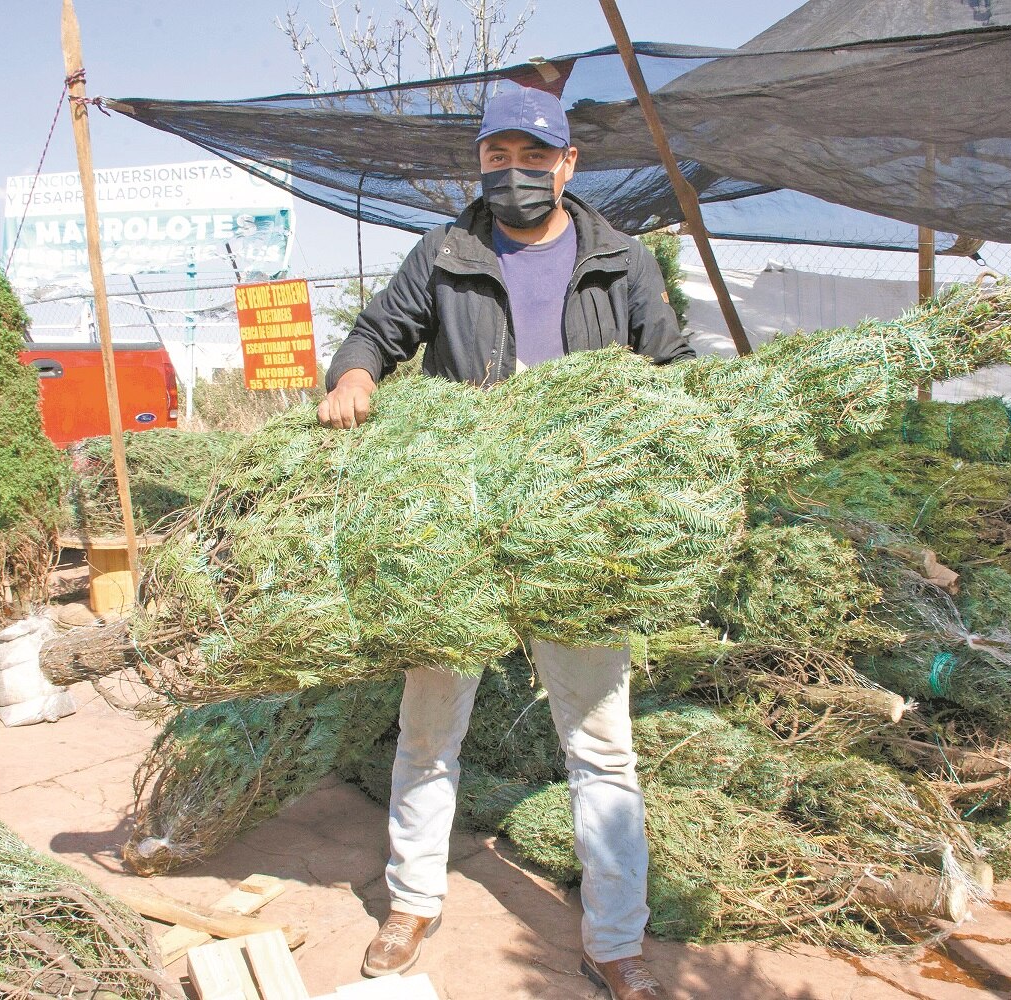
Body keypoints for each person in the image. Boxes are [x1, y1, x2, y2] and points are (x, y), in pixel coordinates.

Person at [318, 84, 691, 1000]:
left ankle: (614, 941)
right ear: (479, 163)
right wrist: (355, 376)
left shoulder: (620, 259)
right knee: (429, 729)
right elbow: (377, 331)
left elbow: (675, 371)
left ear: (567, 165)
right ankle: (411, 902)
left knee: (600, 746)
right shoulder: (445, 253)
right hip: (465, 528)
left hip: (579, 537)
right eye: (496, 157)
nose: (513, 173)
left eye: (533, 157)